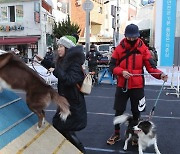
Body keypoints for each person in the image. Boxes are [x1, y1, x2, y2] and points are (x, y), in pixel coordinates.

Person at [107, 23, 168, 145]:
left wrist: (160, 75)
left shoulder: (144, 49)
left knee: (137, 112)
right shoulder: (119, 49)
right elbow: (112, 66)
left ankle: (134, 136)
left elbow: (151, 67)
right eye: (129, 37)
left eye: (134, 37)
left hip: (137, 86)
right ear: (125, 36)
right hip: (122, 85)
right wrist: (121, 72)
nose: (131, 39)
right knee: (119, 110)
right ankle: (117, 133)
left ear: (138, 36)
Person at [36, 35, 87, 153]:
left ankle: (81, 151)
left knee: (64, 129)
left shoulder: (74, 63)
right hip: (66, 102)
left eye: (61, 46)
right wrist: (43, 61)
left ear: (68, 48)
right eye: (58, 46)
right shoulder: (67, 61)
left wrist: (56, 71)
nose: (58, 49)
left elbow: (69, 79)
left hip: (72, 104)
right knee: (62, 128)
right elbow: (57, 68)